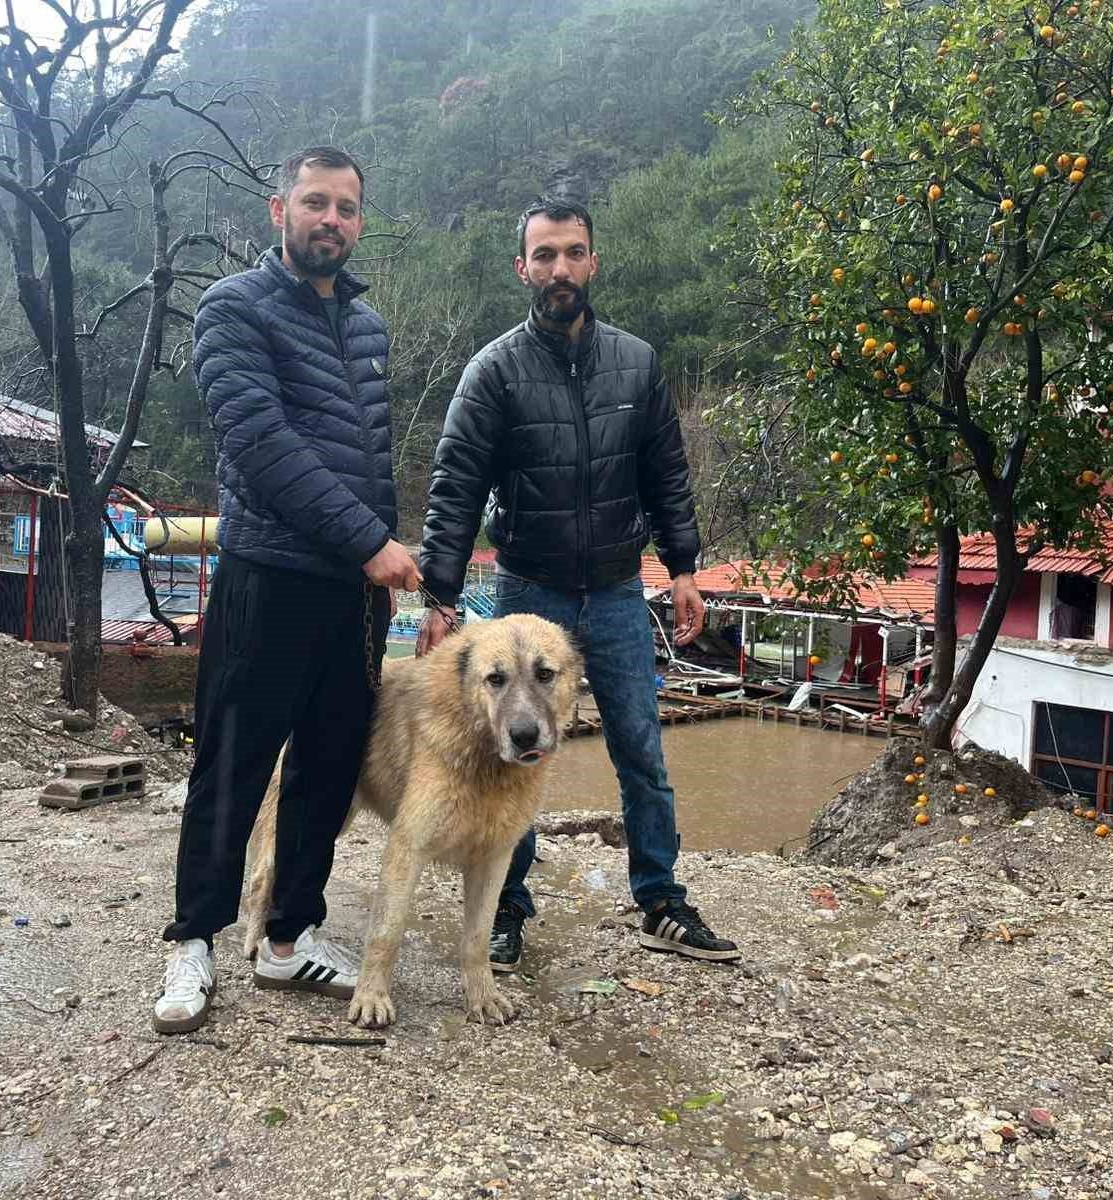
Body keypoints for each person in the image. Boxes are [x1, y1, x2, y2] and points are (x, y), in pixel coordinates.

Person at [415, 198, 740, 972]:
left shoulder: (637, 363)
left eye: (572, 253)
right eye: (545, 255)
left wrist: (684, 569)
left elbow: (666, 475)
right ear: (522, 267)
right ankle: (505, 906)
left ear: (593, 261)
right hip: (530, 595)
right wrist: (439, 597)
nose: (559, 268)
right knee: (509, 752)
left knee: (641, 751)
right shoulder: (494, 371)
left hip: (619, 591)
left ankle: (661, 900)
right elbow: (456, 487)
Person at [154, 147, 422, 1034]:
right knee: (231, 765)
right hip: (267, 577)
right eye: (315, 202)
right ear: (280, 211)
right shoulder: (233, 307)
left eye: (346, 207)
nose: (331, 220)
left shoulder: (368, 326)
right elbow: (261, 443)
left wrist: (384, 559)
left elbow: (371, 461)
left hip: (352, 594)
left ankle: (287, 936)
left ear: (359, 221)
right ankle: (193, 940)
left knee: (328, 768)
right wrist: (371, 543)